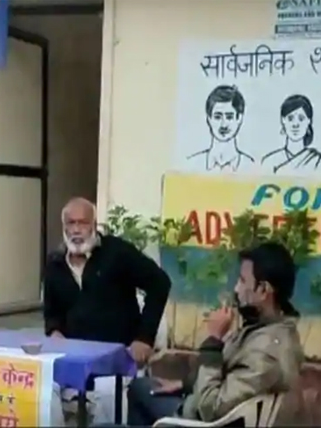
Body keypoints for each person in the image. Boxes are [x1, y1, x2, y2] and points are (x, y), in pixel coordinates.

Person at [127, 241, 304, 426]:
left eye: (243, 281)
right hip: (201, 406)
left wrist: (214, 341)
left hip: (199, 420)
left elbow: (210, 408)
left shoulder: (266, 354)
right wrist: (187, 385)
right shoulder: (266, 329)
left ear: (263, 290)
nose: (236, 289)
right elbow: (230, 378)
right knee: (140, 387)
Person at [44, 197, 172, 422]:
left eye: (83, 223)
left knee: (108, 394)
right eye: (71, 223)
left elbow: (160, 283)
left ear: (94, 225)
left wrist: (144, 338)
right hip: (75, 359)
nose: (76, 230)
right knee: (43, 391)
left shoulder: (117, 253)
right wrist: (54, 332)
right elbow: (52, 313)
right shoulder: (55, 263)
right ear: (64, 227)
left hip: (116, 358)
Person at [187, 85, 254, 172]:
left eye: (229, 117)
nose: (223, 124)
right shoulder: (192, 165)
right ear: (209, 119)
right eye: (217, 117)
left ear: (239, 119)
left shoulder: (250, 166)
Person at [262, 94, 321, 175]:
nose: (295, 124)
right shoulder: (269, 161)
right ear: (283, 120)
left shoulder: (317, 161)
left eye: (301, 119)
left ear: (309, 121)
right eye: (290, 119)